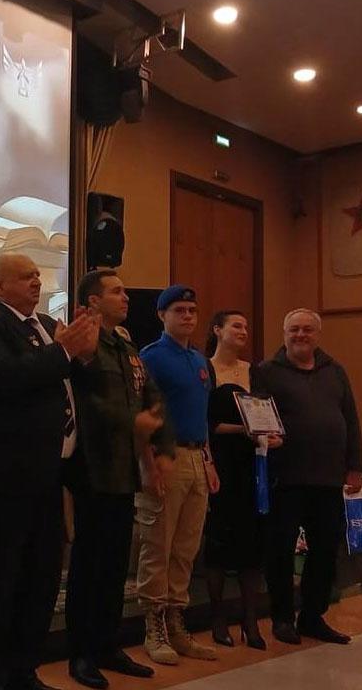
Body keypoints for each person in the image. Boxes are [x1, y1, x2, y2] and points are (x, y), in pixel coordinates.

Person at [0, 252, 100, 690]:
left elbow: (69, 382)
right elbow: (3, 375)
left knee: (40, 578)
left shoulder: (47, 326)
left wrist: (84, 355)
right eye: (25, 277)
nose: (36, 282)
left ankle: (23, 669)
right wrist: (64, 350)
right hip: (2, 475)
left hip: (46, 474)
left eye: (37, 275)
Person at [64, 270, 170, 689]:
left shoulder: (126, 345)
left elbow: (151, 394)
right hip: (94, 467)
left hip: (123, 469)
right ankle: (81, 653)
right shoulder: (83, 340)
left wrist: (159, 443)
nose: (126, 297)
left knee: (113, 566)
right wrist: (134, 423)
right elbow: (87, 402)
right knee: (89, 565)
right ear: (92, 301)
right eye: (116, 291)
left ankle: (107, 644)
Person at [254, 308, 362, 646]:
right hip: (284, 477)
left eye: (307, 330)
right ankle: (282, 618)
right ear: (284, 333)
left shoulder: (335, 371)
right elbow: (258, 417)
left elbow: (351, 419)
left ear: (317, 335)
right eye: (294, 330)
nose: (301, 335)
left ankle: (313, 616)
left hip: (328, 477)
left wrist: (355, 466)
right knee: (280, 551)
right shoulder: (266, 372)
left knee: (325, 550)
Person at [136, 285, 219, 665]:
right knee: (159, 545)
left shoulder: (199, 360)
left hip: (196, 458)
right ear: (162, 315)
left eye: (192, 310)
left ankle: (176, 622)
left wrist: (209, 461)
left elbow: (202, 416)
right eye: (179, 310)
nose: (187, 316)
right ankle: (153, 627)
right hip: (164, 459)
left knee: (186, 548)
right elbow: (143, 416)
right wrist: (150, 464)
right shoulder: (151, 357)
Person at [203, 310, 281, 651]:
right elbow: (205, 422)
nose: (243, 331)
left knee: (253, 543)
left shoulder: (255, 371)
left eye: (246, 326)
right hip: (220, 464)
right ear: (217, 330)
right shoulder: (205, 369)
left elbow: (267, 412)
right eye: (236, 325)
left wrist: (271, 435)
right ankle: (218, 618)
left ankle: (251, 621)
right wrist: (242, 430)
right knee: (219, 543)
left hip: (253, 466)